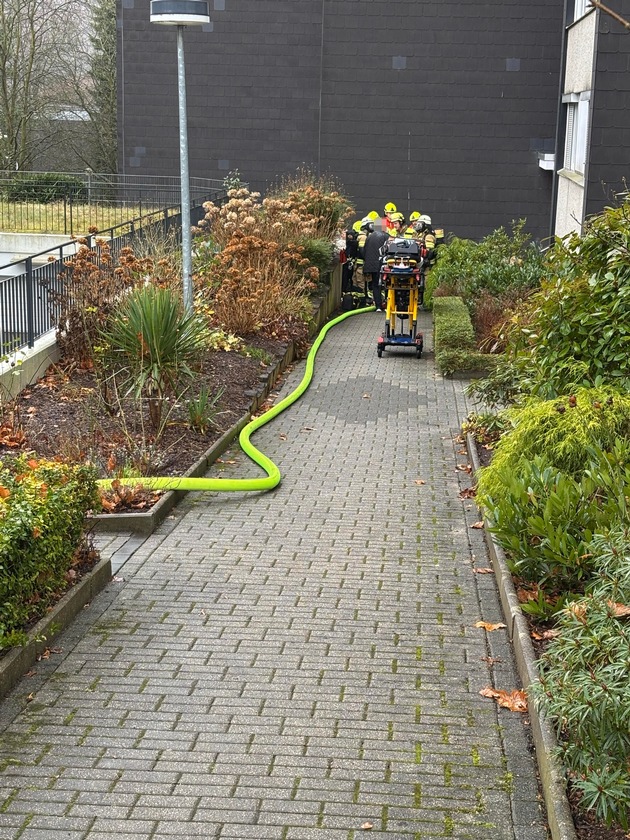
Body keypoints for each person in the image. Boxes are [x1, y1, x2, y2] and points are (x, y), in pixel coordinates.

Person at [361, 218, 389, 311]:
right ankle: (387, 305)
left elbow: (364, 251)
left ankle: (378, 306)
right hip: (381, 264)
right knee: (386, 284)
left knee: (375, 285)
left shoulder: (369, 236)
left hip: (370, 265)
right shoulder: (386, 236)